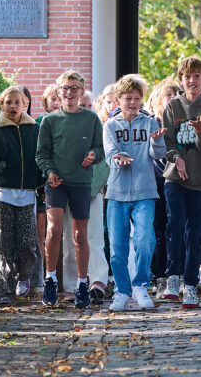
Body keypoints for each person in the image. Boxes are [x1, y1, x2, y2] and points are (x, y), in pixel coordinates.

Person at [36, 70, 103, 309]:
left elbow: (100, 150)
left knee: (79, 236)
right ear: (58, 91)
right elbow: (41, 154)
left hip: (81, 182)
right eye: (65, 88)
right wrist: (49, 172)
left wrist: (93, 155)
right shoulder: (50, 120)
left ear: (81, 92)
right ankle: (50, 279)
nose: (70, 92)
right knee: (53, 231)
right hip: (57, 183)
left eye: (74, 88)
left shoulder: (92, 119)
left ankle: (82, 283)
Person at [161, 56, 201, 309]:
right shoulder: (173, 106)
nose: (192, 80)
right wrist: (177, 158)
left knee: (195, 233)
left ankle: (190, 284)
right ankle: (172, 278)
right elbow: (168, 143)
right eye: (187, 76)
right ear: (181, 79)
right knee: (174, 227)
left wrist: (199, 132)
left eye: (197, 76)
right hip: (175, 178)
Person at [103, 74, 167, 311]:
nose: (132, 102)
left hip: (144, 192)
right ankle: (121, 291)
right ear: (118, 99)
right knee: (118, 247)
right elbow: (109, 154)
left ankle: (140, 285)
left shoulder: (150, 123)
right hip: (117, 194)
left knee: (145, 240)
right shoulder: (110, 125)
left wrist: (158, 141)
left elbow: (159, 155)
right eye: (128, 98)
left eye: (137, 98)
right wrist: (118, 158)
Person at [0, 86, 41, 304]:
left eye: (17, 102)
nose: (13, 106)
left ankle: (24, 277)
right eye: (8, 102)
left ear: (24, 105)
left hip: (26, 192)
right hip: (3, 192)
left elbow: (39, 155)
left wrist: (42, 181)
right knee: (4, 243)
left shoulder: (33, 128)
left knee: (27, 242)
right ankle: (3, 291)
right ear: (2, 105)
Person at [61, 88, 113, 304]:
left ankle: (98, 282)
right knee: (70, 239)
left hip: (92, 190)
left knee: (94, 238)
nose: (86, 109)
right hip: (69, 189)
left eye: (90, 105)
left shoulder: (99, 128)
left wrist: (99, 187)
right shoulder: (66, 127)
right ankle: (71, 285)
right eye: (83, 105)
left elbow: (103, 161)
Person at [146, 77, 179, 296]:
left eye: (175, 95)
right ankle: (159, 277)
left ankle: (178, 276)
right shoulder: (150, 123)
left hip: (178, 184)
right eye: (167, 95)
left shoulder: (180, 125)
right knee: (157, 232)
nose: (171, 99)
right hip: (155, 184)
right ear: (158, 100)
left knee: (175, 231)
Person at [30, 84, 61, 295]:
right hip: (43, 181)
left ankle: (58, 275)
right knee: (43, 231)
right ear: (45, 102)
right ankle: (42, 276)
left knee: (60, 231)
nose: (56, 103)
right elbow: (38, 153)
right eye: (52, 99)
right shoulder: (39, 123)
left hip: (63, 182)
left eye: (58, 98)